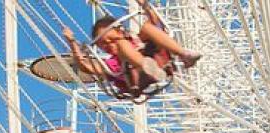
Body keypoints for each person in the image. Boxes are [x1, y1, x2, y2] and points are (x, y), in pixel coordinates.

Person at [62, 0, 201, 95]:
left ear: (121, 31)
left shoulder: (136, 40)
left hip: (157, 62)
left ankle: (183, 54)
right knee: (124, 45)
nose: (110, 45)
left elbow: (154, 21)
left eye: (112, 39)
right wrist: (72, 42)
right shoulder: (112, 64)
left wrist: (144, 5)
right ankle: (145, 66)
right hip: (134, 79)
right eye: (104, 44)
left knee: (147, 27)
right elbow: (85, 67)